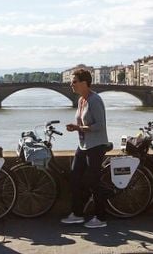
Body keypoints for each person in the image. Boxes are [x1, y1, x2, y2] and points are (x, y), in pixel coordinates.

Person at [62, 67, 110, 229]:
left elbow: (100, 126)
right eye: (71, 82)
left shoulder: (95, 100)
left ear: (84, 83)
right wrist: (77, 128)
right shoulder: (82, 100)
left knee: (94, 182)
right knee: (75, 177)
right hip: (83, 145)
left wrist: (78, 128)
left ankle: (101, 217)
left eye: (74, 82)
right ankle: (77, 214)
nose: (71, 85)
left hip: (96, 146)